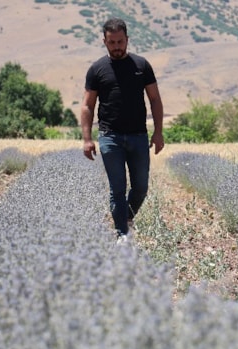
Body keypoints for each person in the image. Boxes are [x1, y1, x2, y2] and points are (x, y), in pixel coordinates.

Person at [81, 17, 165, 241]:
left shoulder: (141, 66)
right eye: (112, 43)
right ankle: (122, 235)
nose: (117, 47)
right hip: (110, 137)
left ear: (127, 39)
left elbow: (155, 100)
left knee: (140, 188)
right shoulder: (97, 69)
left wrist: (158, 132)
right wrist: (87, 139)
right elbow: (88, 106)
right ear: (104, 41)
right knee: (117, 189)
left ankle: (125, 217)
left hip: (138, 136)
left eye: (120, 42)